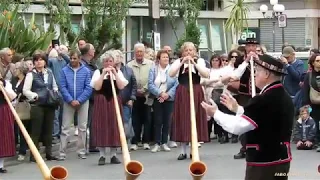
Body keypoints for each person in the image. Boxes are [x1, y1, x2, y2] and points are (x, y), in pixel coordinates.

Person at [201, 54, 294, 180]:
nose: (254, 74)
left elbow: (238, 126)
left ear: (266, 74)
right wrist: (237, 109)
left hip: (264, 162)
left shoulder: (263, 99)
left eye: (257, 71)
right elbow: (261, 119)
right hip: (281, 160)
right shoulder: (283, 95)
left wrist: (215, 113)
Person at [169, 42, 210, 160]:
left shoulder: (200, 61)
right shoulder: (178, 62)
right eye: (186, 50)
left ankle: (194, 149)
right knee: (183, 118)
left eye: (191, 50)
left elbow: (206, 74)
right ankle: (183, 151)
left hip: (196, 90)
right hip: (182, 91)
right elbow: (171, 74)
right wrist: (182, 62)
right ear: (182, 52)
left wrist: (194, 63)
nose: (188, 52)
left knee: (195, 117)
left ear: (195, 52)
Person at [90, 53, 128, 165]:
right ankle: (102, 155)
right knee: (101, 126)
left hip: (114, 100)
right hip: (101, 101)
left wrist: (115, 73)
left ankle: (113, 155)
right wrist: (103, 74)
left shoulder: (118, 71)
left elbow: (121, 86)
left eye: (110, 61)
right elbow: (97, 87)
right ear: (103, 63)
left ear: (113, 62)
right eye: (106, 61)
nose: (108, 63)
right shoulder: (98, 72)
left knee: (114, 126)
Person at [0, 78, 17, 173]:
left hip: (2, 110)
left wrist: (3, 88)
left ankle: (0, 165)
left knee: (3, 137)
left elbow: (12, 97)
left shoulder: (5, 82)